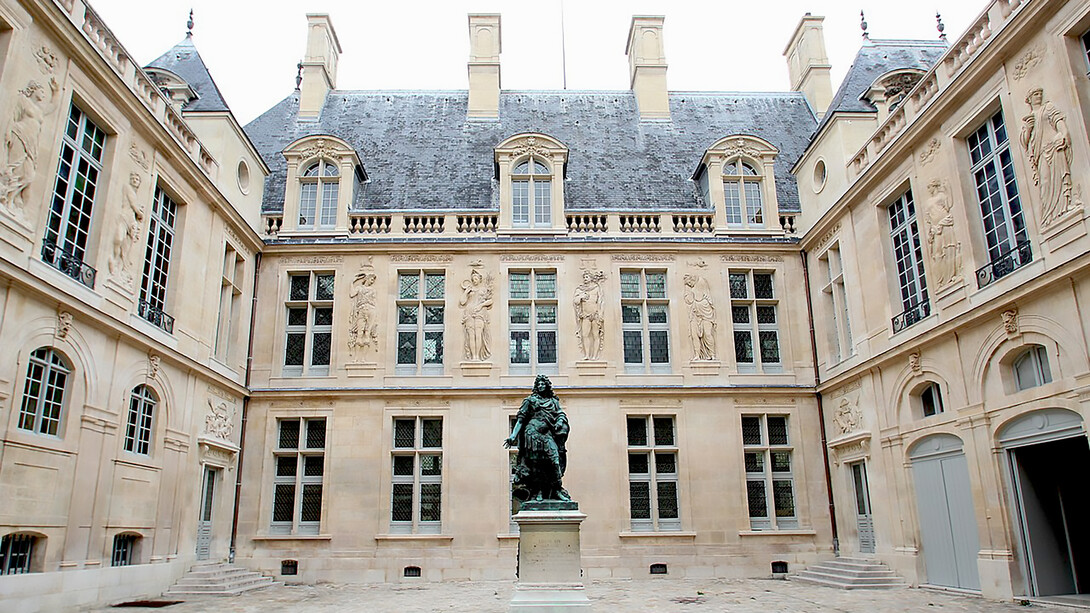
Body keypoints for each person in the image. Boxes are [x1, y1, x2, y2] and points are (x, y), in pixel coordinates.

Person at [504, 375, 571, 502]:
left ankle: (557, 489)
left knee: (555, 461)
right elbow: (520, 420)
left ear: (547, 385)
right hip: (532, 434)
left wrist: (560, 421)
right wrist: (513, 435)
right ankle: (538, 491)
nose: (540, 386)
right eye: (538, 384)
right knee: (537, 465)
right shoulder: (530, 401)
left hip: (547, 435)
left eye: (543, 384)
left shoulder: (553, 402)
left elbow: (561, 414)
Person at [1020, 87, 1075, 226]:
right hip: (1041, 152)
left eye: (1040, 94)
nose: (1038, 96)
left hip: (1054, 146)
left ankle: (1065, 206)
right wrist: (1028, 129)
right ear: (1030, 99)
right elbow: (1024, 142)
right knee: (1045, 181)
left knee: (1060, 175)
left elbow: (1058, 121)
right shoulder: (1029, 119)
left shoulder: (1048, 107)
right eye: (1035, 94)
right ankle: (1049, 215)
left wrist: (1063, 134)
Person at [459, 269, 492, 361]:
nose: (474, 280)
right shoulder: (470, 290)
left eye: (476, 278)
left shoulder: (484, 290)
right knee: (471, 335)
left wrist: (481, 305)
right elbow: (462, 302)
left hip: (480, 313)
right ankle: (473, 357)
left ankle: (477, 356)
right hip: (469, 313)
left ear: (480, 279)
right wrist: (466, 292)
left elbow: (490, 301)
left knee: (478, 334)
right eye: (473, 278)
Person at [683, 273, 717, 360]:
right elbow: (689, 299)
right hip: (694, 313)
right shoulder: (690, 288)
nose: (689, 285)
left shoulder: (702, 283)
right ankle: (697, 355)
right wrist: (688, 289)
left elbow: (699, 297)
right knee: (694, 335)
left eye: (689, 283)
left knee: (708, 334)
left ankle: (712, 354)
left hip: (706, 313)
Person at [573, 269, 604, 360]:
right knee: (584, 335)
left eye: (587, 277)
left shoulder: (597, 288)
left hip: (595, 316)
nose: (585, 279)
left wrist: (600, 314)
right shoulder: (580, 289)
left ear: (591, 278)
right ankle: (586, 355)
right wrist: (581, 297)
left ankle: (594, 356)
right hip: (585, 316)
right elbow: (575, 301)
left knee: (596, 335)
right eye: (584, 277)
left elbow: (600, 301)